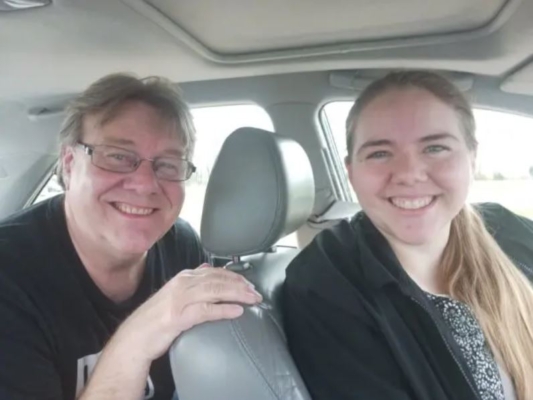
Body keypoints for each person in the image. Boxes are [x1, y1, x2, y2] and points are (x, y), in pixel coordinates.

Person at [0, 74, 262, 400]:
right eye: (118, 156)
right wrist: (138, 337)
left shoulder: (180, 245)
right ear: (69, 164)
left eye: (167, 164)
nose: (145, 184)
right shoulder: (10, 278)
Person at [283, 71, 533, 400]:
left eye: (435, 148)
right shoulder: (326, 284)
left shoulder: (509, 231)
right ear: (351, 172)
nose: (409, 174)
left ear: (472, 158)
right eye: (379, 153)